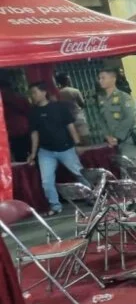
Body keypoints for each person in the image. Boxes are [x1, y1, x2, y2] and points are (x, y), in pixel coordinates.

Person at [26, 82, 86, 216]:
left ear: (44, 92)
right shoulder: (33, 112)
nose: (33, 95)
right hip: (46, 151)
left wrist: (77, 143)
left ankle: (93, 196)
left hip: (66, 148)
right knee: (46, 181)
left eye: (35, 92)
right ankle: (55, 205)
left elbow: (70, 126)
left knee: (79, 174)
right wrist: (33, 153)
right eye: (31, 93)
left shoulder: (60, 107)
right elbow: (34, 134)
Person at [96, 66, 136, 159]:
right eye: (99, 78)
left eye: (103, 78)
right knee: (118, 165)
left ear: (113, 79)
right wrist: (107, 136)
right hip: (111, 141)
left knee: (129, 164)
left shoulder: (124, 97)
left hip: (127, 139)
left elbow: (129, 118)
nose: (100, 81)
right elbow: (101, 119)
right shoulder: (101, 99)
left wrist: (117, 137)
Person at [1, 78, 33, 162]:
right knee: (25, 156)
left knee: (22, 157)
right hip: (19, 132)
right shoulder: (19, 99)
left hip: (19, 132)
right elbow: (29, 112)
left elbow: (29, 113)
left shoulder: (19, 100)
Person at [56, 73, 90, 143]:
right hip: (78, 117)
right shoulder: (75, 91)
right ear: (67, 80)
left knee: (73, 140)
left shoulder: (57, 93)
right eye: (69, 79)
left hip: (66, 120)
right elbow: (82, 104)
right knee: (85, 139)